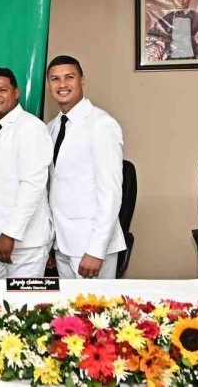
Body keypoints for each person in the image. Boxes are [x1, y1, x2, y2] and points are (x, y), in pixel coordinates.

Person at [46, 55, 126, 279]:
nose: (62, 84)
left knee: (93, 304)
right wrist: (52, 243)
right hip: (62, 244)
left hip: (90, 246)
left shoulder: (101, 124)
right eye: (55, 79)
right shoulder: (51, 127)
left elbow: (110, 191)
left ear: (82, 80)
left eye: (69, 77)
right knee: (66, 303)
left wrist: (96, 249)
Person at [0, 68, 53, 279]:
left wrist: (10, 234)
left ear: (16, 92)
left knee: (23, 300)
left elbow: (32, 185)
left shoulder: (30, 127)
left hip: (23, 243)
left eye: (2, 90)